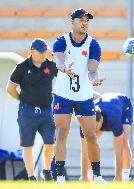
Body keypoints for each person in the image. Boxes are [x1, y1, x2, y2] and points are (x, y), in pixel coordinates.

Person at [52, 8, 106, 183]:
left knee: (90, 134)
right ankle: (59, 177)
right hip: (63, 95)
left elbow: (92, 70)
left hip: (84, 96)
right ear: (72, 22)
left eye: (87, 20)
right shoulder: (61, 41)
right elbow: (58, 60)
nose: (85, 23)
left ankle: (97, 176)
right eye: (81, 20)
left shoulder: (93, 44)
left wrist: (94, 78)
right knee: (62, 131)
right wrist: (64, 68)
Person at [6, 38, 57, 181]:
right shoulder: (21, 67)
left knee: (50, 142)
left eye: (45, 52)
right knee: (28, 144)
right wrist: (22, 100)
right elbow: (10, 88)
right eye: (41, 52)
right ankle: (31, 176)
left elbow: (64, 77)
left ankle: (47, 171)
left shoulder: (50, 65)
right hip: (27, 112)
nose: (43, 55)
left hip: (46, 111)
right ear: (32, 51)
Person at [79, 93, 133, 182]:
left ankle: (125, 176)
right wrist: (84, 175)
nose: (93, 130)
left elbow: (118, 151)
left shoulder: (113, 119)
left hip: (123, 106)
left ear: (101, 120)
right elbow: (84, 151)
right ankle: (89, 175)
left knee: (123, 141)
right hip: (106, 104)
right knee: (89, 143)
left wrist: (118, 176)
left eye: (95, 127)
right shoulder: (85, 124)